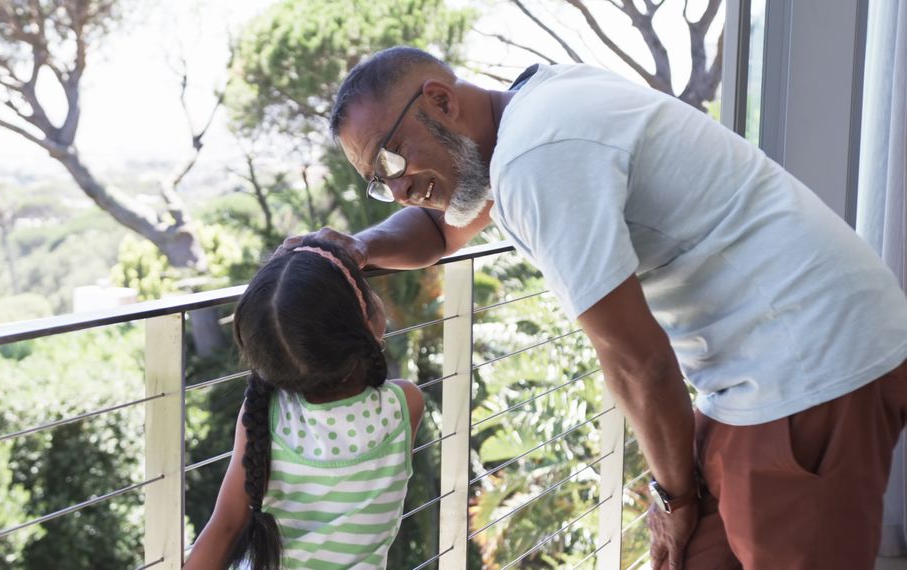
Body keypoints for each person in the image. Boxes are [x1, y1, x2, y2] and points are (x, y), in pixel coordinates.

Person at [283, 46, 907, 569]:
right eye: (376, 181)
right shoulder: (529, 114)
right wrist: (355, 248)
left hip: (807, 362)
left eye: (392, 160)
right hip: (762, 363)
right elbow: (440, 232)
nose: (394, 188)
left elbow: (638, 361)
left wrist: (673, 499)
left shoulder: (536, 158)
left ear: (440, 101)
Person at [182, 239, 425, 570]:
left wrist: (293, 272)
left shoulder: (265, 416)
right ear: (366, 322)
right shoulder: (405, 405)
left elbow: (224, 527)